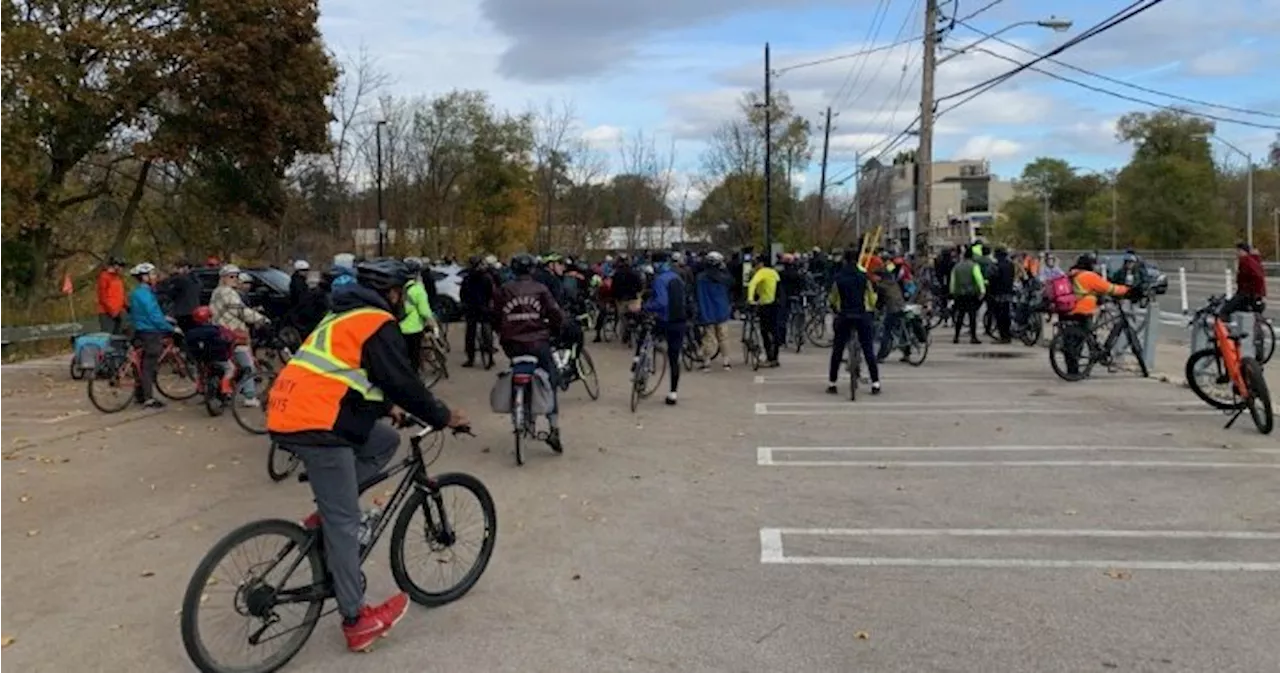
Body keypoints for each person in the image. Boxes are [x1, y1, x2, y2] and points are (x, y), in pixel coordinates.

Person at [267, 259, 466, 653]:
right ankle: (356, 620)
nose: (404, 301)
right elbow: (402, 381)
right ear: (392, 293)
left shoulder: (341, 317)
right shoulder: (376, 321)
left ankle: (330, 508)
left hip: (293, 412)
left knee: (384, 441)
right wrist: (443, 416)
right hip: (318, 425)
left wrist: (384, 408)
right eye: (402, 293)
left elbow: (346, 377)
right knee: (344, 522)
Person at [493, 254, 565, 451]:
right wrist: (556, 331)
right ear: (532, 270)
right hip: (538, 342)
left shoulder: (504, 290)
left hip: (512, 345)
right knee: (551, 380)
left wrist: (502, 332)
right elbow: (555, 313)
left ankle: (521, 409)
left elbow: (495, 315)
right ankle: (553, 428)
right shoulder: (540, 289)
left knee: (518, 370)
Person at [1062, 254, 1138, 375]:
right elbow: (1108, 288)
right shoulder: (1088, 276)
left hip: (1067, 310)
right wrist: (1127, 290)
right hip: (1083, 311)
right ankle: (1083, 369)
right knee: (1084, 340)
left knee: (1072, 342)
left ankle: (1072, 370)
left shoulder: (1071, 274)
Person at [210, 265, 268, 407]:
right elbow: (240, 311)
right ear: (223, 278)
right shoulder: (228, 292)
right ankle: (249, 396)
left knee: (228, 363)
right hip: (233, 333)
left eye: (236, 276)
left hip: (219, 332)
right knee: (247, 365)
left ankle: (227, 391)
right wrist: (261, 319)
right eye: (231, 276)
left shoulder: (216, 292)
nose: (235, 279)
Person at [827, 250, 880, 396]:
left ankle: (832, 383)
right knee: (868, 349)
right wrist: (871, 307)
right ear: (858, 261)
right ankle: (875, 383)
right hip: (862, 315)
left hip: (844, 315)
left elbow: (832, 298)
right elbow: (871, 298)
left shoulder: (839, 278)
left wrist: (834, 307)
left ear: (844, 260)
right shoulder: (864, 277)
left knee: (837, 349)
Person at [126, 263, 175, 409]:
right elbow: (153, 315)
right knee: (149, 365)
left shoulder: (136, 293)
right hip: (150, 331)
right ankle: (149, 399)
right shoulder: (145, 294)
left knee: (139, 363)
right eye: (152, 274)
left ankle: (139, 394)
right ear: (144, 277)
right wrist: (169, 327)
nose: (155, 277)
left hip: (138, 330)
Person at [642, 252, 688, 405]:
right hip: (680, 321)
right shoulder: (677, 278)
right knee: (674, 358)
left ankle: (640, 361)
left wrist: (647, 306)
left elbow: (662, 302)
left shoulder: (660, 280)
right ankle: (673, 393)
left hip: (665, 321)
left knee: (646, 333)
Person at [184, 306, 238, 395]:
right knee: (231, 369)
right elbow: (227, 339)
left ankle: (199, 386)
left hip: (200, 358)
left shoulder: (190, 333)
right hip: (218, 357)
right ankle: (225, 386)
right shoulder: (216, 330)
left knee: (199, 371)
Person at [695, 251, 734, 371]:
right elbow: (731, 285)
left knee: (708, 337)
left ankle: (707, 362)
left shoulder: (701, 278)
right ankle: (726, 361)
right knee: (723, 337)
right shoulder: (724, 278)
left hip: (707, 310)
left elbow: (697, 294)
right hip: (722, 309)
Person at [399, 258, 436, 374]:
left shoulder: (399, 287)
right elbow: (424, 311)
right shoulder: (417, 289)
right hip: (414, 328)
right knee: (414, 359)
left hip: (399, 327)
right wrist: (432, 324)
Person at [459, 256, 496, 367]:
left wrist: (464, 304)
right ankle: (490, 355)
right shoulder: (487, 277)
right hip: (484, 308)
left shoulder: (467, 278)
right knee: (487, 331)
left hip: (471, 308)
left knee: (470, 333)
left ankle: (470, 359)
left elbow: (462, 294)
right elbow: (491, 292)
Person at [747, 257, 782, 367]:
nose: (754, 267)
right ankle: (775, 357)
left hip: (765, 304)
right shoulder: (774, 272)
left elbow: (752, 284)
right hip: (775, 304)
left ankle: (769, 357)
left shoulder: (761, 272)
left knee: (764, 331)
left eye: (755, 265)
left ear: (761, 264)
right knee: (774, 331)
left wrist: (750, 299)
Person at [1221, 242, 1267, 320]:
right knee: (1245, 313)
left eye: (1238, 251)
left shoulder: (1245, 261)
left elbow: (1253, 277)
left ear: (1242, 251)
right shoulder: (1254, 260)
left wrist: (1248, 291)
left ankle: (1227, 329)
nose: (1237, 253)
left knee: (1225, 311)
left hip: (1247, 294)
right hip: (1255, 294)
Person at [949, 246, 985, 345]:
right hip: (971, 294)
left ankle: (956, 336)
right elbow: (979, 279)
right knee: (972, 315)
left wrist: (952, 292)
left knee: (960, 315)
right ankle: (973, 337)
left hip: (959, 293)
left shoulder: (956, 266)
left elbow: (952, 281)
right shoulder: (974, 266)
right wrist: (982, 290)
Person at [159, 260, 202, 332]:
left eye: (178, 268)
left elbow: (169, 293)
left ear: (185, 268)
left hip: (183, 312)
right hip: (195, 310)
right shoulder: (196, 279)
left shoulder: (180, 279)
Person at [989, 248, 1016, 343]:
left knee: (999, 316)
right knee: (1006, 314)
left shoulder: (996, 266)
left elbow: (992, 279)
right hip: (1008, 292)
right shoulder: (1010, 265)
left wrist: (991, 291)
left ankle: (1003, 336)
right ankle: (1007, 335)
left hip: (998, 293)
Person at [96, 257, 127, 334]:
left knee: (119, 336)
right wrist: (113, 312)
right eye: (121, 266)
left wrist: (126, 306)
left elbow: (121, 294)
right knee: (108, 337)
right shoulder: (104, 277)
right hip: (106, 313)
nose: (122, 269)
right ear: (114, 265)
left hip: (119, 312)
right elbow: (103, 297)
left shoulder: (118, 278)